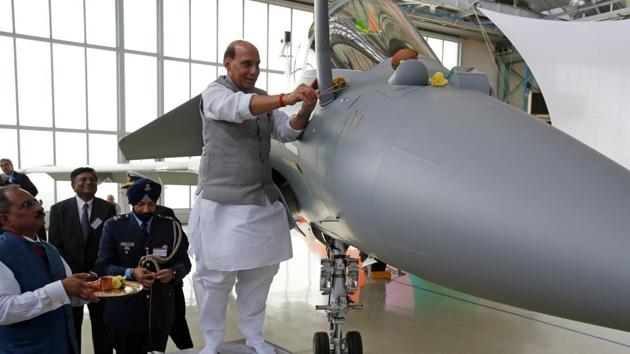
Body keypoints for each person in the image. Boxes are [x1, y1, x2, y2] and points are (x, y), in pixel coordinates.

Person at [188, 40, 318, 354]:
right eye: (246, 64)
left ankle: (254, 337)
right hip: (222, 203)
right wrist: (286, 97)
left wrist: (305, 109)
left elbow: (286, 132)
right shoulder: (215, 94)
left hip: (259, 202)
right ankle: (214, 341)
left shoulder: (261, 100)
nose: (254, 71)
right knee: (215, 280)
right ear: (227, 63)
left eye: (257, 64)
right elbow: (236, 109)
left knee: (260, 275)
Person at [95, 178, 191, 354]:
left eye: (151, 204)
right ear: (131, 203)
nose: (146, 209)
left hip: (159, 311)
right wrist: (131, 272)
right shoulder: (114, 226)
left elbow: (184, 262)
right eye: (140, 204)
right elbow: (102, 266)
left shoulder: (170, 227)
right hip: (124, 311)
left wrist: (173, 273)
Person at [0, 185, 99, 353]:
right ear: (4, 220)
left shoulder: (50, 249)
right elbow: (3, 310)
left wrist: (87, 290)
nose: (39, 208)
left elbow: (65, 293)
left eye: (36, 202)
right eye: (26, 205)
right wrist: (61, 288)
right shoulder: (3, 252)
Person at [121, 170, 194, 349]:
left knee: (175, 322)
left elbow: (180, 246)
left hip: (167, 285)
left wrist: (173, 272)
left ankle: (187, 349)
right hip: (137, 287)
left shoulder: (165, 216)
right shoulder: (123, 220)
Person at [48, 167, 116, 354]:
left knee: (102, 325)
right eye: (83, 179)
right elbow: (55, 246)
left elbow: (111, 244)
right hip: (71, 278)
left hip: (100, 275)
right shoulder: (59, 210)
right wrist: (73, 274)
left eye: (92, 180)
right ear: (73, 185)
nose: (88, 183)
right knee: (72, 324)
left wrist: (95, 271)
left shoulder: (108, 209)